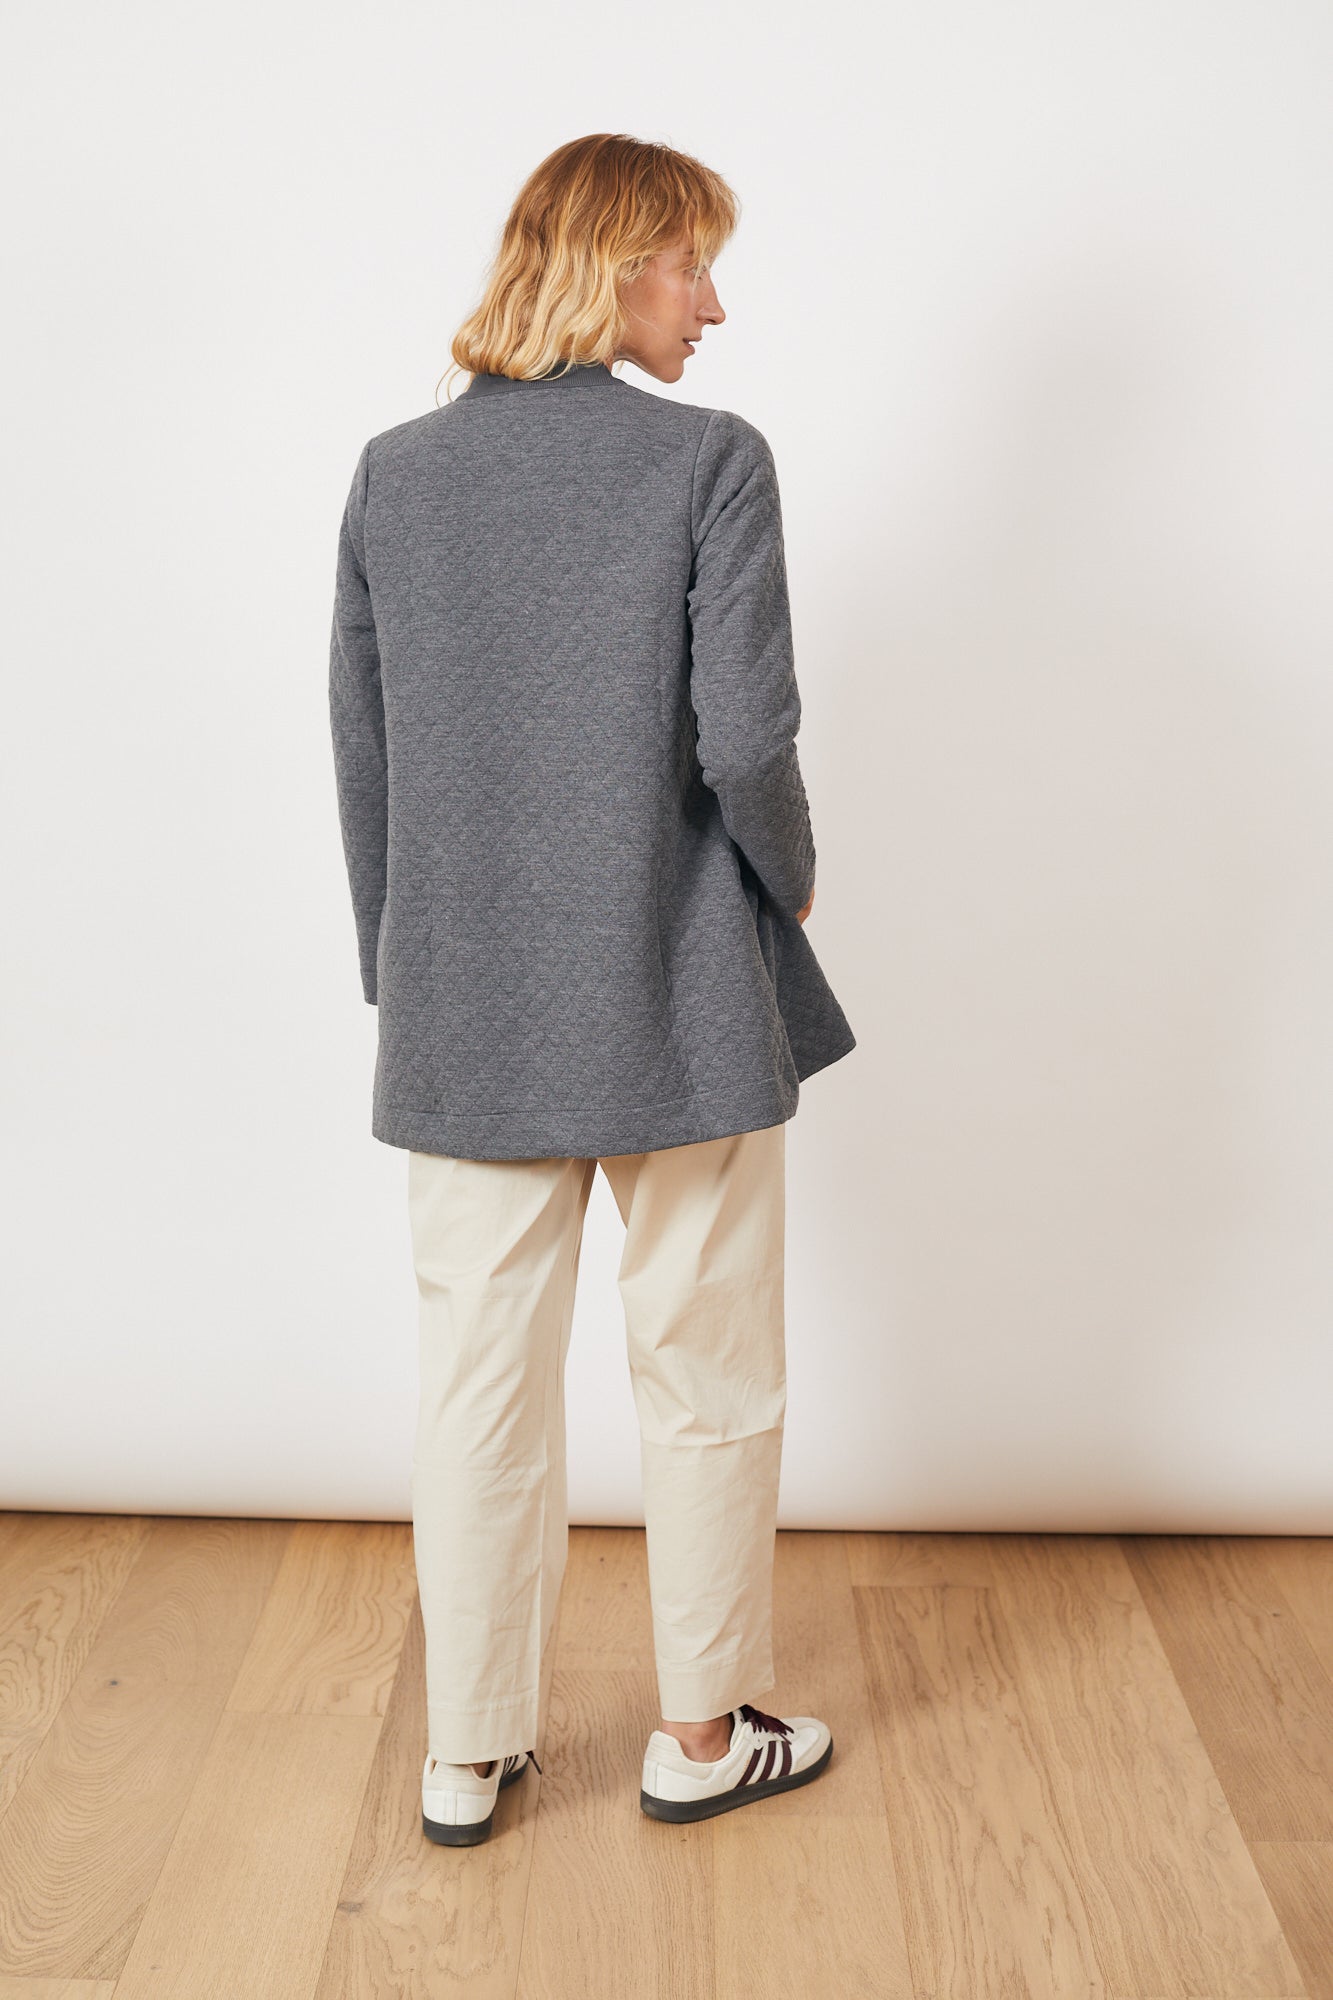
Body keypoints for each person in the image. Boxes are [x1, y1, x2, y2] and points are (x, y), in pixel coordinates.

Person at [328, 132, 856, 1847]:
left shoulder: (396, 474)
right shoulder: (708, 460)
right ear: (616, 265)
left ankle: (467, 1749)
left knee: (476, 1377)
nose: (713, 304)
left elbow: (365, 749)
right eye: (692, 264)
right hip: (678, 978)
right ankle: (700, 1733)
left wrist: (404, 963)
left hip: (465, 991)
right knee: (706, 1361)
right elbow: (746, 737)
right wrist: (788, 869)